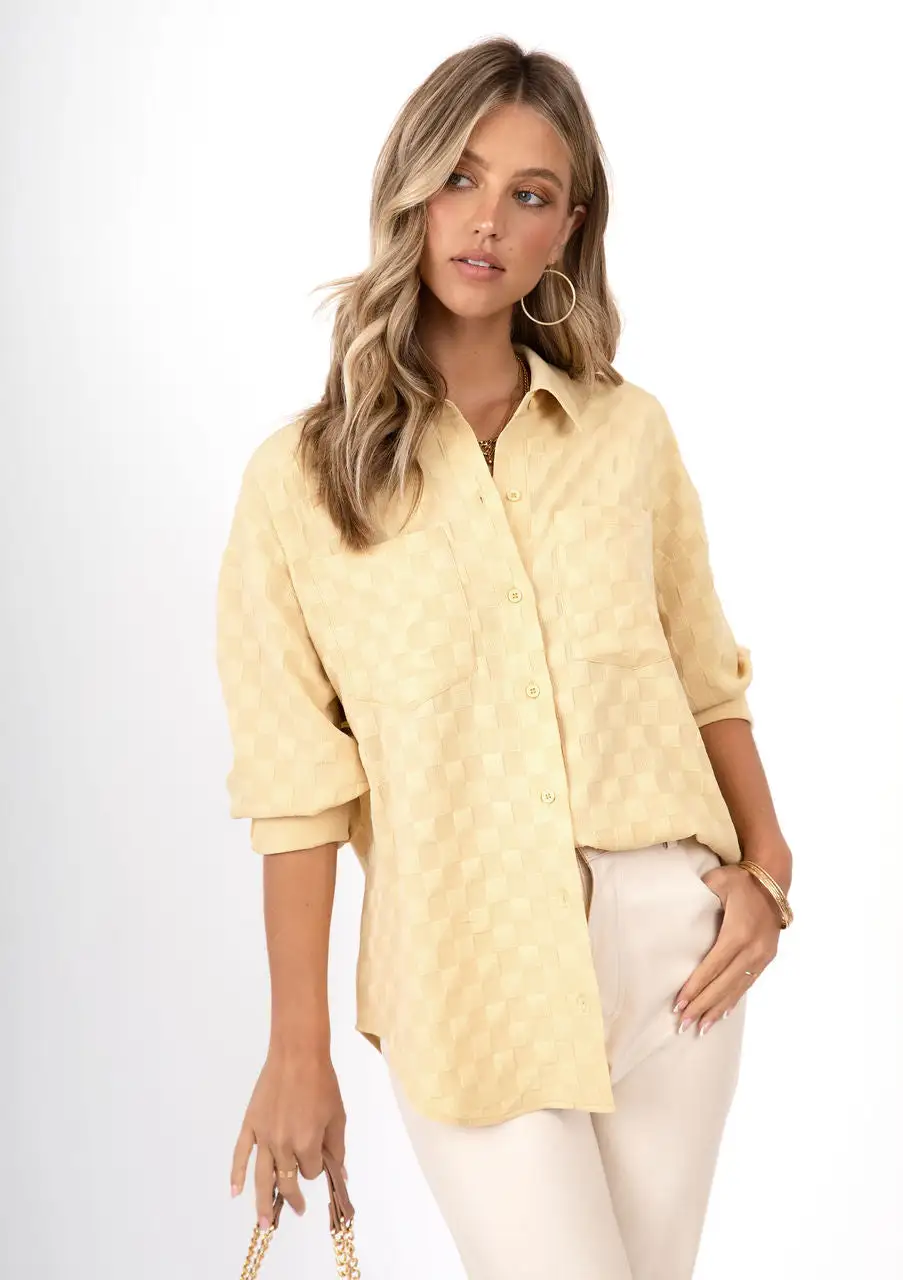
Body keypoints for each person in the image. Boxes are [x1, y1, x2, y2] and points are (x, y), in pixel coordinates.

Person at [215, 35, 795, 1280]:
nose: (486, 221)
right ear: (410, 191)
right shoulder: (299, 484)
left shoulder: (626, 434)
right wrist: (296, 1046)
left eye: (529, 194)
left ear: (566, 230)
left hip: (674, 949)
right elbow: (295, 786)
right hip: (464, 960)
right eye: (459, 178)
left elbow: (703, 673)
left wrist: (766, 868)